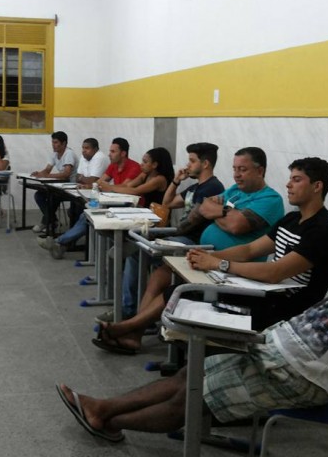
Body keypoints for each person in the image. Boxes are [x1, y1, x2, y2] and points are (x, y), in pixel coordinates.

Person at [58, 189, 328, 443]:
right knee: (191, 374)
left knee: (194, 398)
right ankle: (105, 410)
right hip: (277, 346)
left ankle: (105, 415)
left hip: (306, 375)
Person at [92, 147, 284, 349]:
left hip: (231, 266)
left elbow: (236, 226)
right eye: (234, 169)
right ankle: (135, 332)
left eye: (242, 169)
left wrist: (217, 213)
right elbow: (204, 208)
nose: (236, 174)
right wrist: (226, 213)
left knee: (174, 284)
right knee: (159, 275)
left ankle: (128, 327)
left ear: (260, 171)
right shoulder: (235, 191)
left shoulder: (270, 199)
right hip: (205, 255)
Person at [187, 157, 328, 329]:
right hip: (268, 296)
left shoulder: (323, 230)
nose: (288, 184)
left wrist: (219, 263)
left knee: (192, 304)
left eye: (296, 180)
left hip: (288, 312)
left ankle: (196, 353)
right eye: (290, 178)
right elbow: (250, 250)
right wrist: (207, 256)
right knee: (187, 295)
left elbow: (274, 272)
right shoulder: (291, 219)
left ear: (317, 186)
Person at [98, 142, 225, 322]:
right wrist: (176, 181)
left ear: (205, 164)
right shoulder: (196, 186)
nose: (187, 165)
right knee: (137, 251)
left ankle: (131, 311)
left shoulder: (212, 187)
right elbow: (168, 203)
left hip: (191, 240)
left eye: (192, 161)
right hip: (181, 235)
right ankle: (131, 309)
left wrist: (163, 234)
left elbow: (190, 225)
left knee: (138, 251)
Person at [38, 137, 141, 258]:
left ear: (123, 153)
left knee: (87, 215)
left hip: (127, 206)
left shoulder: (134, 167)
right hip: (113, 202)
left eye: (113, 152)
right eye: (110, 151)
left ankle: (60, 242)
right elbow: (100, 182)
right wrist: (88, 186)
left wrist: (105, 186)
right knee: (85, 214)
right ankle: (62, 244)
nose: (109, 155)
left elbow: (125, 187)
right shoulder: (113, 166)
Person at [31, 131, 77, 234]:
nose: (53, 145)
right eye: (52, 142)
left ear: (64, 143)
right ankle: (53, 221)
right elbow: (47, 170)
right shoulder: (54, 154)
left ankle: (47, 222)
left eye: (56, 142)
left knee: (52, 197)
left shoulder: (69, 154)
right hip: (61, 185)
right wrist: (38, 173)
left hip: (71, 187)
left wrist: (47, 176)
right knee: (39, 195)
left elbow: (66, 174)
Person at [98, 147, 174, 209]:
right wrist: (107, 186)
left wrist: (110, 188)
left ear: (154, 165)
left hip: (158, 216)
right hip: (146, 211)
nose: (141, 164)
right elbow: (128, 185)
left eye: (145, 162)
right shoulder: (145, 174)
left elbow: (136, 191)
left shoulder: (159, 179)